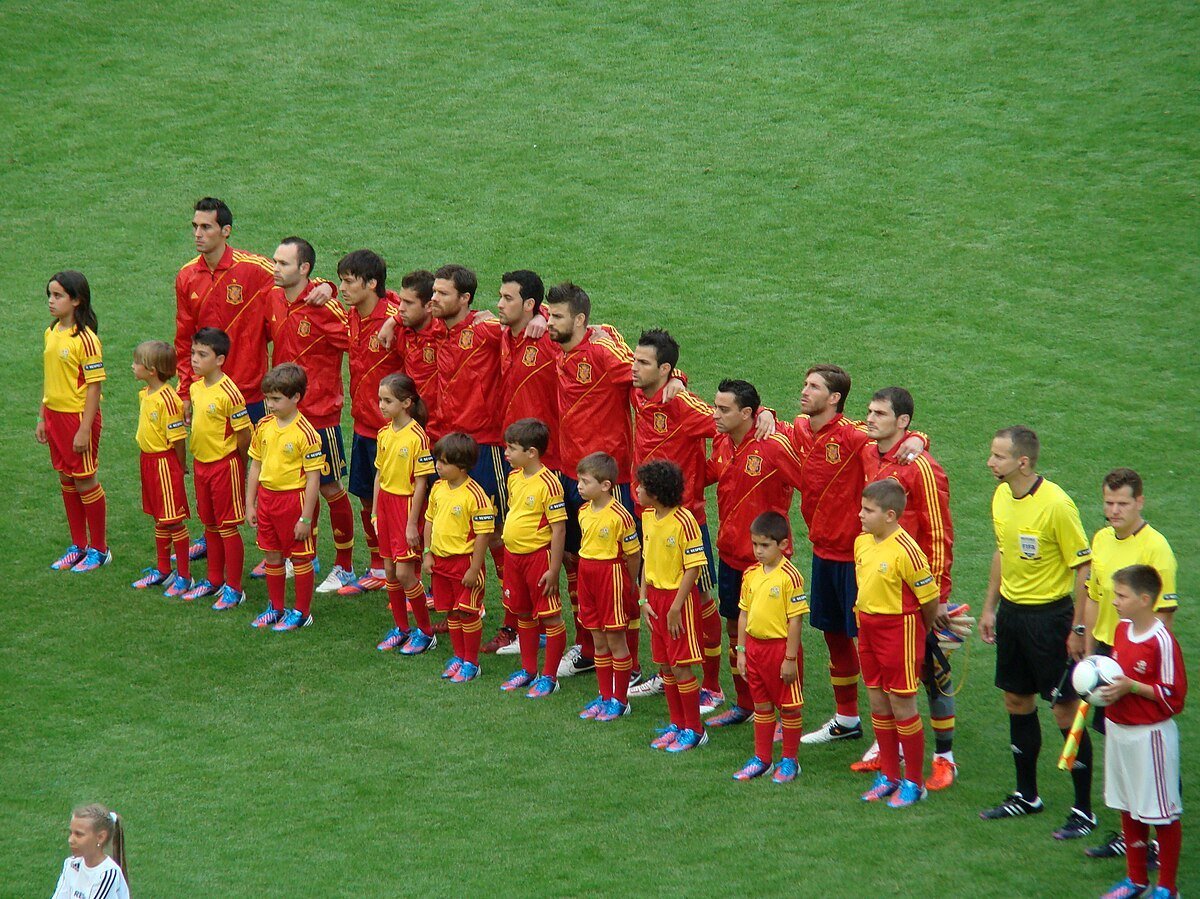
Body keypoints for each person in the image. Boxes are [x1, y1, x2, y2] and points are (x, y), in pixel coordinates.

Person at [785, 365, 926, 746]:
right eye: (805, 384)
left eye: (813, 386)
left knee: (871, 643)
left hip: (856, 556)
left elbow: (894, 438)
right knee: (833, 635)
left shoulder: (853, 436)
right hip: (822, 551)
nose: (804, 390)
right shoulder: (799, 428)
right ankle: (846, 719)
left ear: (834, 398)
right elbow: (774, 426)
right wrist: (764, 413)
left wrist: (918, 437)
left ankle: (888, 732)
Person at [978, 426, 1097, 839]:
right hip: (1012, 615)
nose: (990, 462)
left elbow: (1083, 566)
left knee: (1064, 710)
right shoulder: (1000, 495)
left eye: (998, 456)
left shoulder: (1056, 505)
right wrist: (990, 607)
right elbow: (1002, 549)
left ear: (1022, 462)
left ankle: (1083, 810)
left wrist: (1079, 627)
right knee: (1016, 699)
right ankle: (1027, 794)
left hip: (1051, 618)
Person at [857, 387, 959, 791]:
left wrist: (937, 597)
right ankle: (892, 755)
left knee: (933, 673)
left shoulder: (923, 468)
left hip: (916, 591)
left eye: (880, 413)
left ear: (902, 422)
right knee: (887, 684)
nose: (870, 418)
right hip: (882, 586)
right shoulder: (869, 452)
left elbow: (939, 533)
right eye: (869, 411)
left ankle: (945, 758)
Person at [630, 329, 730, 711]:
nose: (633, 368)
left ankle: (711, 685)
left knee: (701, 599)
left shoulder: (684, 404)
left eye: (642, 363)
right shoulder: (639, 392)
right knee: (658, 594)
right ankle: (670, 669)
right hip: (650, 519)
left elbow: (725, 426)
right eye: (635, 360)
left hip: (687, 520)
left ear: (665, 368)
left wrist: (710, 470)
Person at [1084, 468, 1179, 861]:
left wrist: (1139, 665)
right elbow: (1093, 596)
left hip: (1139, 657)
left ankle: (1156, 836)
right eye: (1108, 502)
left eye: (1122, 503)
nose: (1114, 510)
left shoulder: (1157, 548)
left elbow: (1164, 620)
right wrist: (1088, 646)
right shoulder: (1102, 538)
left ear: (1140, 501)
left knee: (1150, 748)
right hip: (1108, 650)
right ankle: (1134, 833)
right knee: (1116, 739)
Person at [705, 378, 805, 729]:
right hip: (731, 556)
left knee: (776, 637)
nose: (715, 414)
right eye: (716, 406)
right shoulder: (721, 440)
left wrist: (770, 415)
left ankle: (786, 714)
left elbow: (811, 480)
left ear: (747, 413)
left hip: (768, 564)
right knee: (736, 628)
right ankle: (745, 703)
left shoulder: (774, 444)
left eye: (723, 409)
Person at [266, 236, 357, 593]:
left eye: (284, 263)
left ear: (305, 269)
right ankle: (306, 555)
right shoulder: (272, 298)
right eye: (275, 261)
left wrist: (329, 288)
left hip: (320, 417)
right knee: (298, 486)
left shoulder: (325, 308)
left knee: (331, 488)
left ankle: (346, 566)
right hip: (285, 418)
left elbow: (358, 336)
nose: (275, 268)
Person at [1096, 565, 1186, 899]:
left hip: (1151, 737)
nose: (1115, 601)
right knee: (1128, 804)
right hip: (1118, 731)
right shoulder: (1121, 630)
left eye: (1121, 595)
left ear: (1145, 599)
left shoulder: (1161, 640)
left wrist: (1132, 686)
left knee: (1161, 812)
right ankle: (1136, 879)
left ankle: (1167, 887)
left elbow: (1173, 695)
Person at [854, 480, 941, 808]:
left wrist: (922, 630)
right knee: (877, 702)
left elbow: (929, 599)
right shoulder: (861, 543)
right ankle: (889, 775)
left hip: (899, 630)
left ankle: (914, 782)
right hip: (867, 628)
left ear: (890, 515)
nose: (860, 515)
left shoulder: (907, 550)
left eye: (868, 510)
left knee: (902, 704)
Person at [337, 250, 405, 599]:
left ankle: (407, 568)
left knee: (399, 504)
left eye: (349, 282)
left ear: (372, 283)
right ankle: (379, 567)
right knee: (365, 498)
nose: (343, 288)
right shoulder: (350, 314)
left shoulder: (396, 318)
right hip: (363, 425)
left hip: (393, 433)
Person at [39, 271, 109, 573]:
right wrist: (43, 416)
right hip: (54, 415)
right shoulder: (51, 332)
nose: (51, 302)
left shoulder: (87, 339)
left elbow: (95, 386)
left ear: (76, 300)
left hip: (78, 417)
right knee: (66, 478)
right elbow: (50, 378)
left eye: (58, 296)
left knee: (84, 479)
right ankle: (79, 545)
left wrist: (84, 428)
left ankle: (100, 549)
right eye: (50, 296)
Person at [731, 511, 807, 784]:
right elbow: (743, 614)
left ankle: (790, 760)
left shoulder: (790, 576)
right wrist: (740, 651)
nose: (758, 551)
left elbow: (795, 620)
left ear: (783, 545)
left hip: (780, 650)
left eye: (765, 545)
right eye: (755, 545)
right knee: (761, 706)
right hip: (754, 649)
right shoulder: (750, 574)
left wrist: (789, 658)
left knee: (788, 707)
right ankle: (762, 758)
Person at [178, 328, 252, 609]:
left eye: (202, 355)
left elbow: (244, 434)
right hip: (201, 464)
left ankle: (234, 587)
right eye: (193, 353)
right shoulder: (196, 387)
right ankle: (213, 579)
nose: (194, 360)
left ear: (220, 359)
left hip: (225, 466)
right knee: (208, 522)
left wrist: (240, 465)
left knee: (227, 527)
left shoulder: (230, 393)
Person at [245, 363, 323, 631]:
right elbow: (255, 465)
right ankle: (276, 607)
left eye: (276, 399)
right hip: (267, 500)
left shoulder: (307, 433)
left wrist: (306, 517)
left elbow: (314, 479)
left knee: (300, 557)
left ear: (296, 398)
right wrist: (250, 503)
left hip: (294, 501)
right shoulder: (264, 426)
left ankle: (302, 612)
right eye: (268, 398)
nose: (270, 404)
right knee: (272, 556)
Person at [639, 460, 709, 753]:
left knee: (681, 667)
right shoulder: (646, 517)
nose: (637, 490)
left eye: (642, 486)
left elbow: (693, 568)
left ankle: (695, 729)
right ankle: (677, 723)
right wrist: (642, 598)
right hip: (654, 598)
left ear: (656, 492)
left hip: (677, 601)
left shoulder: (685, 522)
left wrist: (677, 607)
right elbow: (646, 559)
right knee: (665, 665)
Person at [498, 418, 569, 698]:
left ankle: (550, 676)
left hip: (539, 559)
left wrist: (553, 570)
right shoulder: (514, 477)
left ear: (531, 453)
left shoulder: (550, 484)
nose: (506, 453)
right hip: (513, 557)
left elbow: (559, 528)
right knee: (523, 614)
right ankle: (529, 670)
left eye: (511, 448)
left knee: (550, 618)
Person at [574, 451, 642, 722]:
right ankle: (605, 695)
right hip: (586, 573)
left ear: (605, 485)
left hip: (611, 575)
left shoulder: (620, 516)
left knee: (615, 639)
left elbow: (633, 553)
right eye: (579, 480)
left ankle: (621, 699)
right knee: (598, 639)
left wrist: (629, 584)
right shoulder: (582, 512)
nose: (579, 486)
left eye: (584, 481)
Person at [424, 433, 496, 683]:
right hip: (440, 562)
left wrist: (475, 568)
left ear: (462, 466)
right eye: (437, 461)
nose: (438, 466)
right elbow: (429, 522)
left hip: (464, 564)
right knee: (451, 613)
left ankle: (472, 662)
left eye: (444, 462)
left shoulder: (476, 495)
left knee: (467, 612)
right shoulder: (437, 488)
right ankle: (458, 656)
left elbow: (483, 535)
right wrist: (427, 553)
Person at [372, 373, 436, 655]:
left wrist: (412, 524)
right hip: (385, 505)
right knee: (388, 570)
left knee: (405, 573)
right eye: (380, 400)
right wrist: (374, 512)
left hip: (406, 507)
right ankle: (401, 627)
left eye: (388, 401)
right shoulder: (384, 433)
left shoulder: (418, 437)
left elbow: (421, 482)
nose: (382, 406)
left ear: (407, 403)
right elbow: (379, 474)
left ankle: (425, 631)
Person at [129, 340, 192, 597]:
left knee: (173, 520)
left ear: (152, 370)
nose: (132, 366)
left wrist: (180, 466)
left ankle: (184, 576)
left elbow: (178, 439)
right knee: (159, 517)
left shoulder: (169, 400)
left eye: (136, 363)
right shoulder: (146, 393)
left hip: (164, 463)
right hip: (148, 461)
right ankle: (164, 569)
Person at [51, 804, 129, 899]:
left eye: (79, 834)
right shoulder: (71, 864)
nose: (70, 840)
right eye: (70, 833)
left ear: (100, 837)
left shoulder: (107, 874)